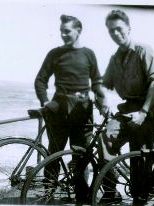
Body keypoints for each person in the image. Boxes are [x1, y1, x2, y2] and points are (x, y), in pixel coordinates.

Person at [34, 14, 106, 204]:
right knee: (53, 155)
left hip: (83, 112)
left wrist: (102, 101)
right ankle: (48, 195)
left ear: (78, 30)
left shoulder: (88, 53)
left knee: (81, 156)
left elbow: (97, 81)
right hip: (58, 111)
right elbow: (41, 80)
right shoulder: (54, 53)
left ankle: (81, 198)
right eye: (61, 31)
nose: (63, 35)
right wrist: (45, 102)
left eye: (67, 31)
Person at [98, 9, 154, 205]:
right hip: (126, 110)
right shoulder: (115, 58)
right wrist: (102, 99)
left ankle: (140, 199)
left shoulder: (143, 50)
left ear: (128, 28)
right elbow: (104, 84)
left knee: (140, 160)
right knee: (105, 140)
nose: (116, 34)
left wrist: (143, 112)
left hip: (147, 110)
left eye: (119, 29)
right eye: (111, 31)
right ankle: (111, 192)